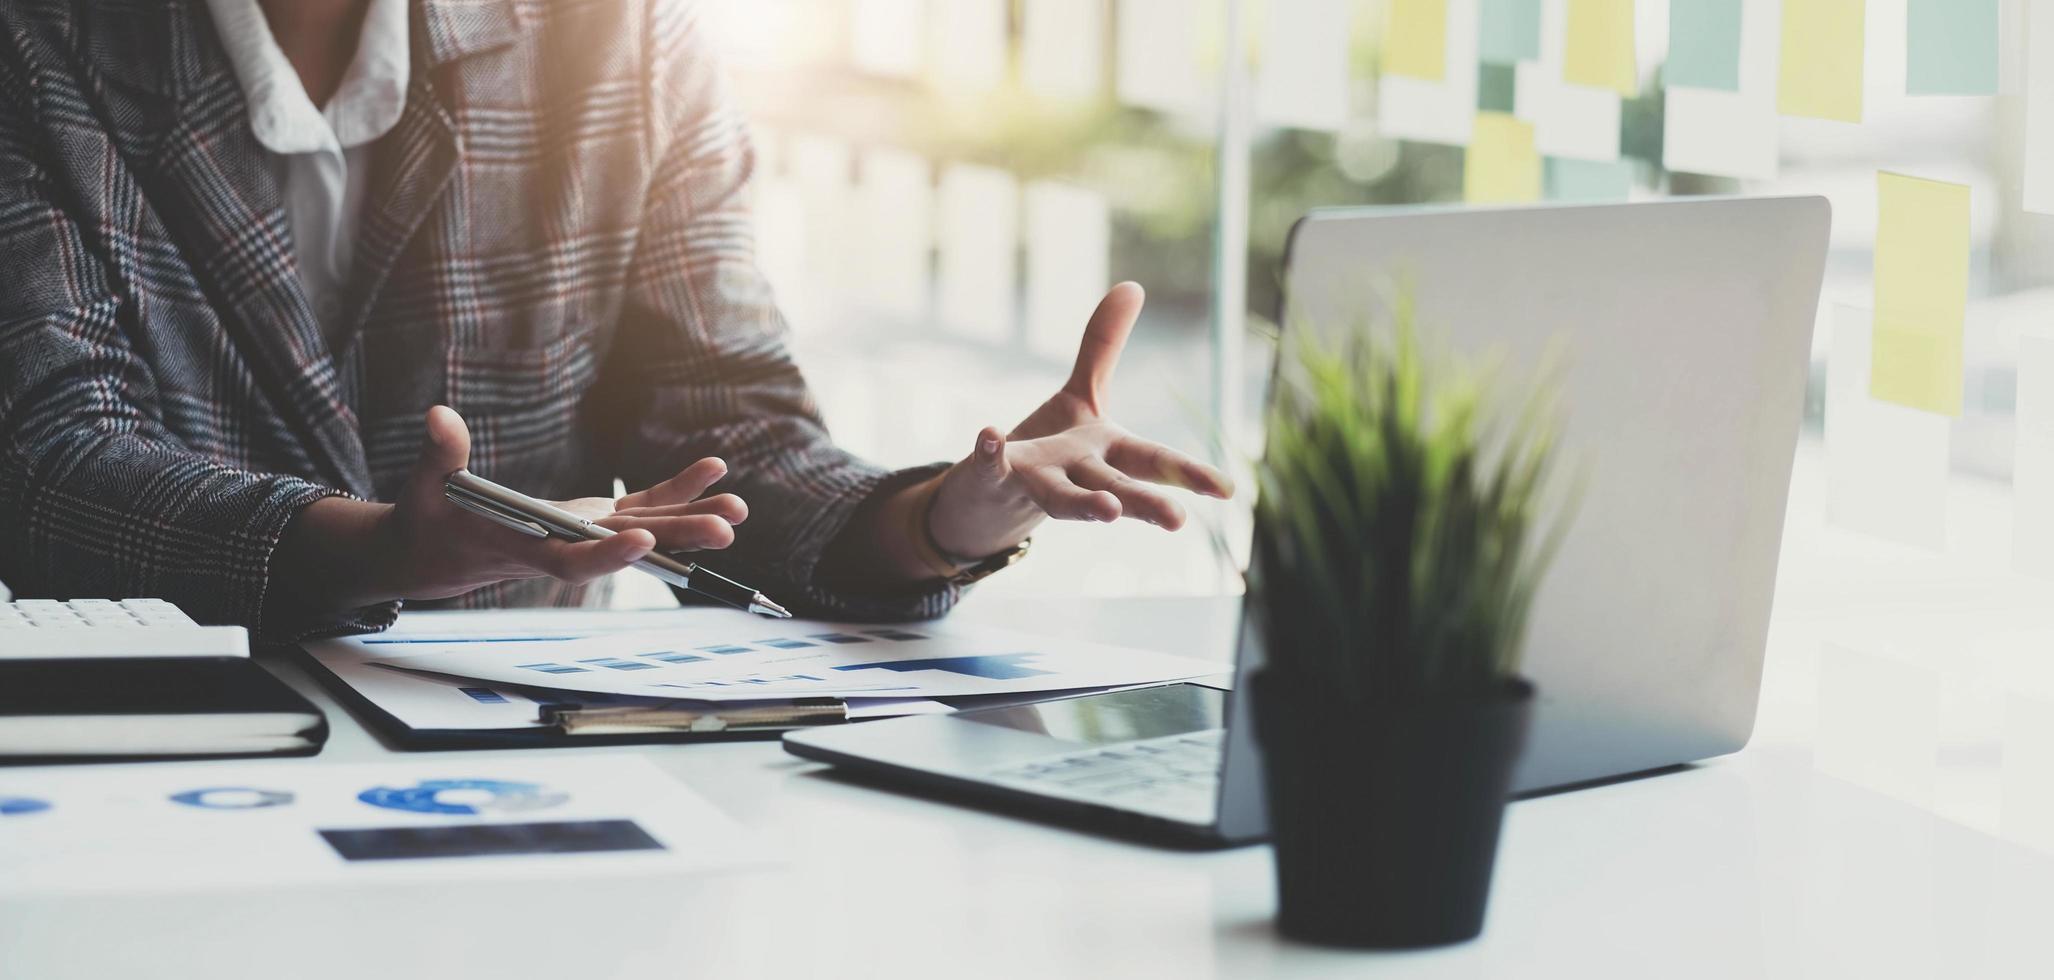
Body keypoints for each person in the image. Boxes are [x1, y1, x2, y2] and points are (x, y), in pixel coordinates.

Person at [0, 0, 1231, 641]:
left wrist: (939, 519)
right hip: (142, 740)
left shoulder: (619, 38)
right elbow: (51, 457)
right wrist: (382, 547)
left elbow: (723, 430)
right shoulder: (38, 38)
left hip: (514, 762)